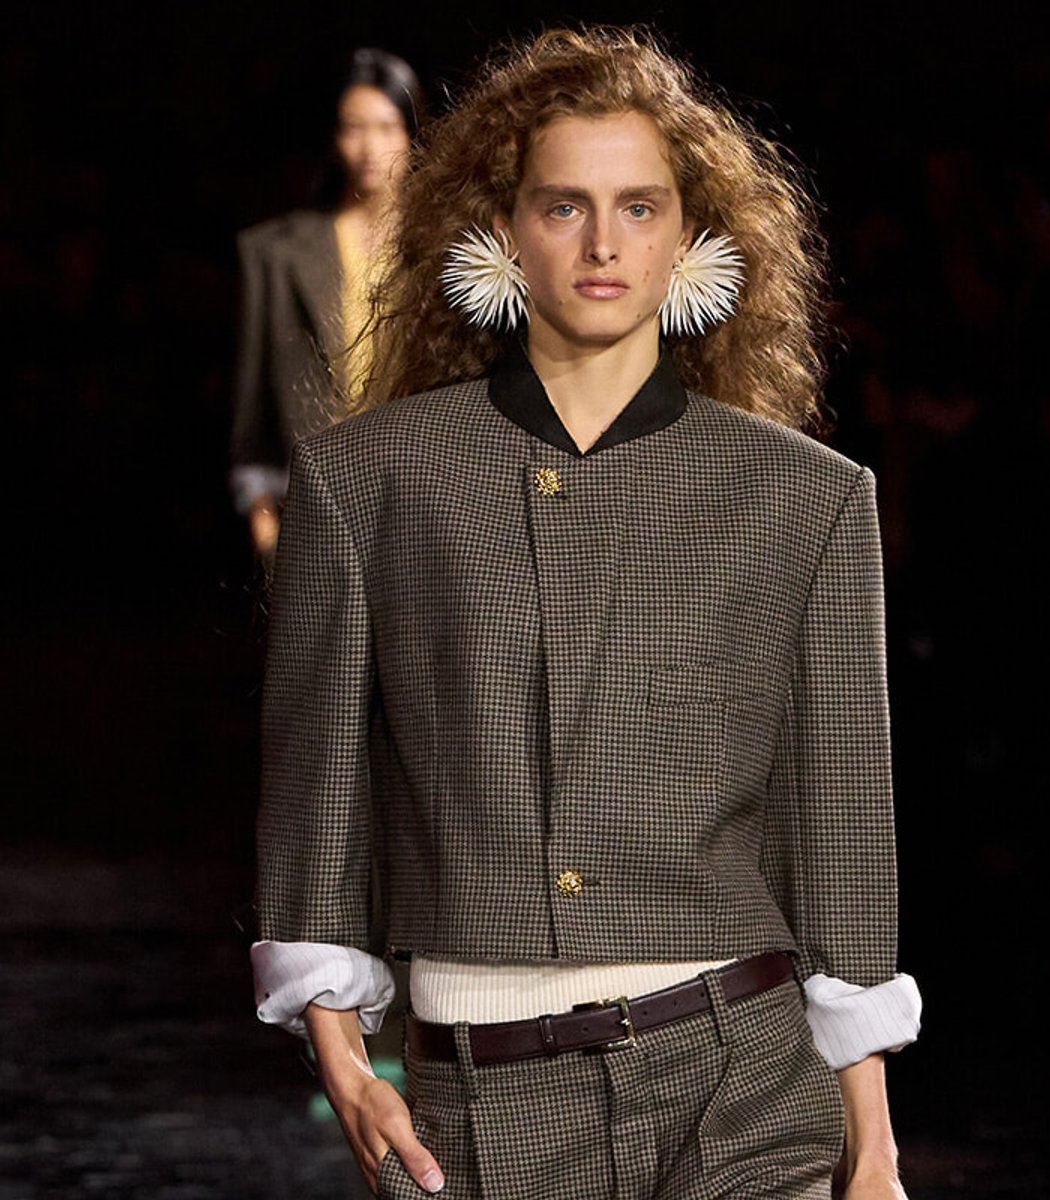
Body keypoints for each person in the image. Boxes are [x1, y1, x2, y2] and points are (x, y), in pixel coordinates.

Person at [252, 26, 922, 1200]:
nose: (604, 242)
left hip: (745, 1084)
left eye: (640, 206)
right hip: (482, 1107)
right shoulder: (370, 485)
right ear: (503, 228)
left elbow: (844, 835)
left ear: (693, 235)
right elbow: (322, 793)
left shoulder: (806, 499)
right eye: (564, 206)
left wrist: (871, 1150)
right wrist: (346, 1064)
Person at [228, 47, 422, 560]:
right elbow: (254, 404)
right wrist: (261, 511)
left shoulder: (443, 249)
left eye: (385, 127)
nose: (369, 147)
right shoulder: (277, 254)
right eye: (353, 127)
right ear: (334, 136)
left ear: (411, 131)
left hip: (420, 496)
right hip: (314, 501)